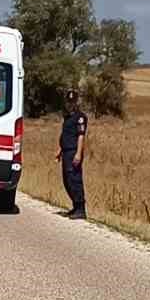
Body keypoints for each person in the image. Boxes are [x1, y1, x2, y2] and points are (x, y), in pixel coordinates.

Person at [54, 89, 88, 219]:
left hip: (74, 151)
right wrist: (60, 150)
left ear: (76, 102)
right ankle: (75, 207)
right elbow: (65, 135)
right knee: (67, 180)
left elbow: (81, 136)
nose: (70, 104)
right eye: (69, 101)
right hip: (66, 151)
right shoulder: (67, 117)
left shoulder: (80, 118)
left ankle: (81, 208)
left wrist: (78, 153)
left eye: (72, 102)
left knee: (75, 179)